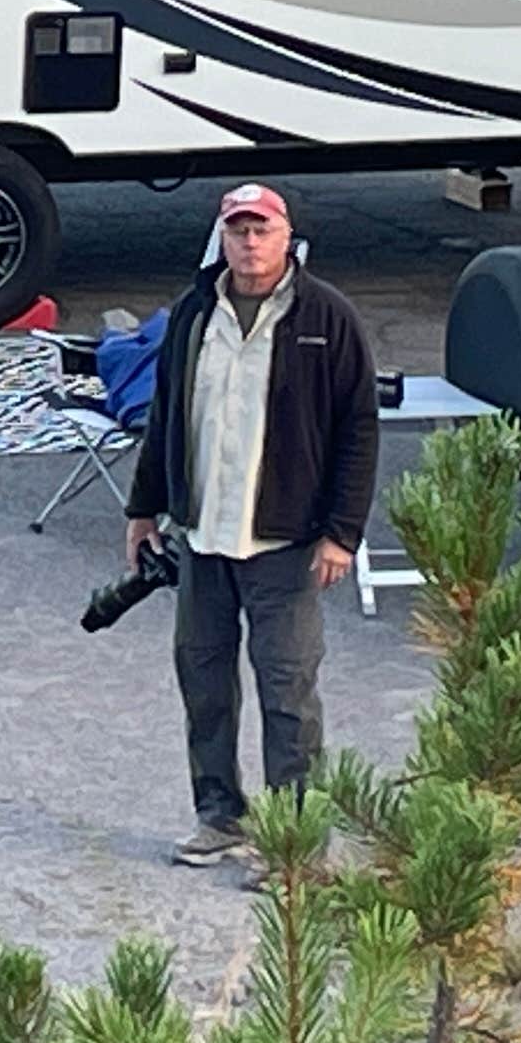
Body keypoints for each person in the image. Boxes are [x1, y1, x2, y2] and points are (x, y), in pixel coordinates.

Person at [120, 182, 378, 866]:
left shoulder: (327, 317)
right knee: (203, 684)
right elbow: (167, 416)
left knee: (288, 694)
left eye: (261, 229)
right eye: (238, 230)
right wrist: (143, 509)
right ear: (222, 237)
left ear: (287, 234)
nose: (250, 242)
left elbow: (359, 430)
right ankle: (219, 816)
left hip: (285, 544)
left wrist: (342, 532)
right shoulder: (194, 314)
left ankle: (295, 843)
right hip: (202, 537)